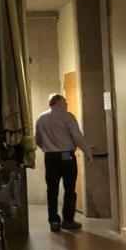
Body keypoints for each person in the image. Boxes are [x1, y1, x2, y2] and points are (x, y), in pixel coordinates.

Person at [35, 94, 92, 232]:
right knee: (70, 187)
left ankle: (54, 220)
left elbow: (38, 139)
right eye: (65, 101)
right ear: (58, 102)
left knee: (52, 189)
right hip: (66, 155)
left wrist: (47, 149)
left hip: (50, 157)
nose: (66, 103)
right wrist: (88, 153)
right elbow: (77, 137)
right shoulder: (68, 117)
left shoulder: (41, 118)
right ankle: (68, 219)